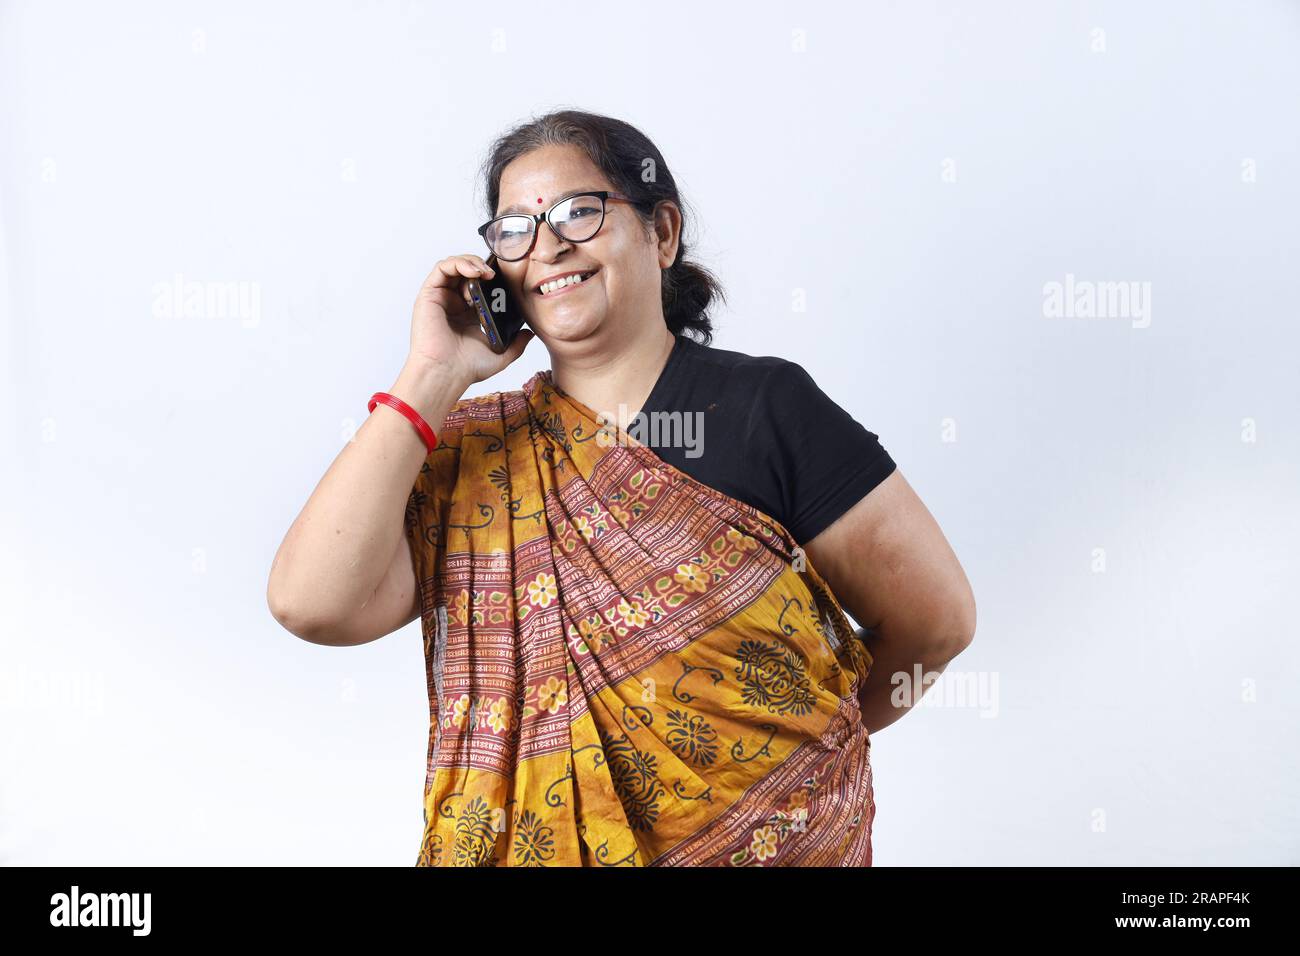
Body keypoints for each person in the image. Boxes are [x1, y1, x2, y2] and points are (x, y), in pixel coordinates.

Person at [267, 109, 977, 867]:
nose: (548, 246)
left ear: (661, 232)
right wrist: (431, 377)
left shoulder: (765, 409)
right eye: (516, 228)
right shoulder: (470, 454)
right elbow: (311, 603)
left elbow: (935, 626)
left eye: (579, 211)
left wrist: (794, 760)